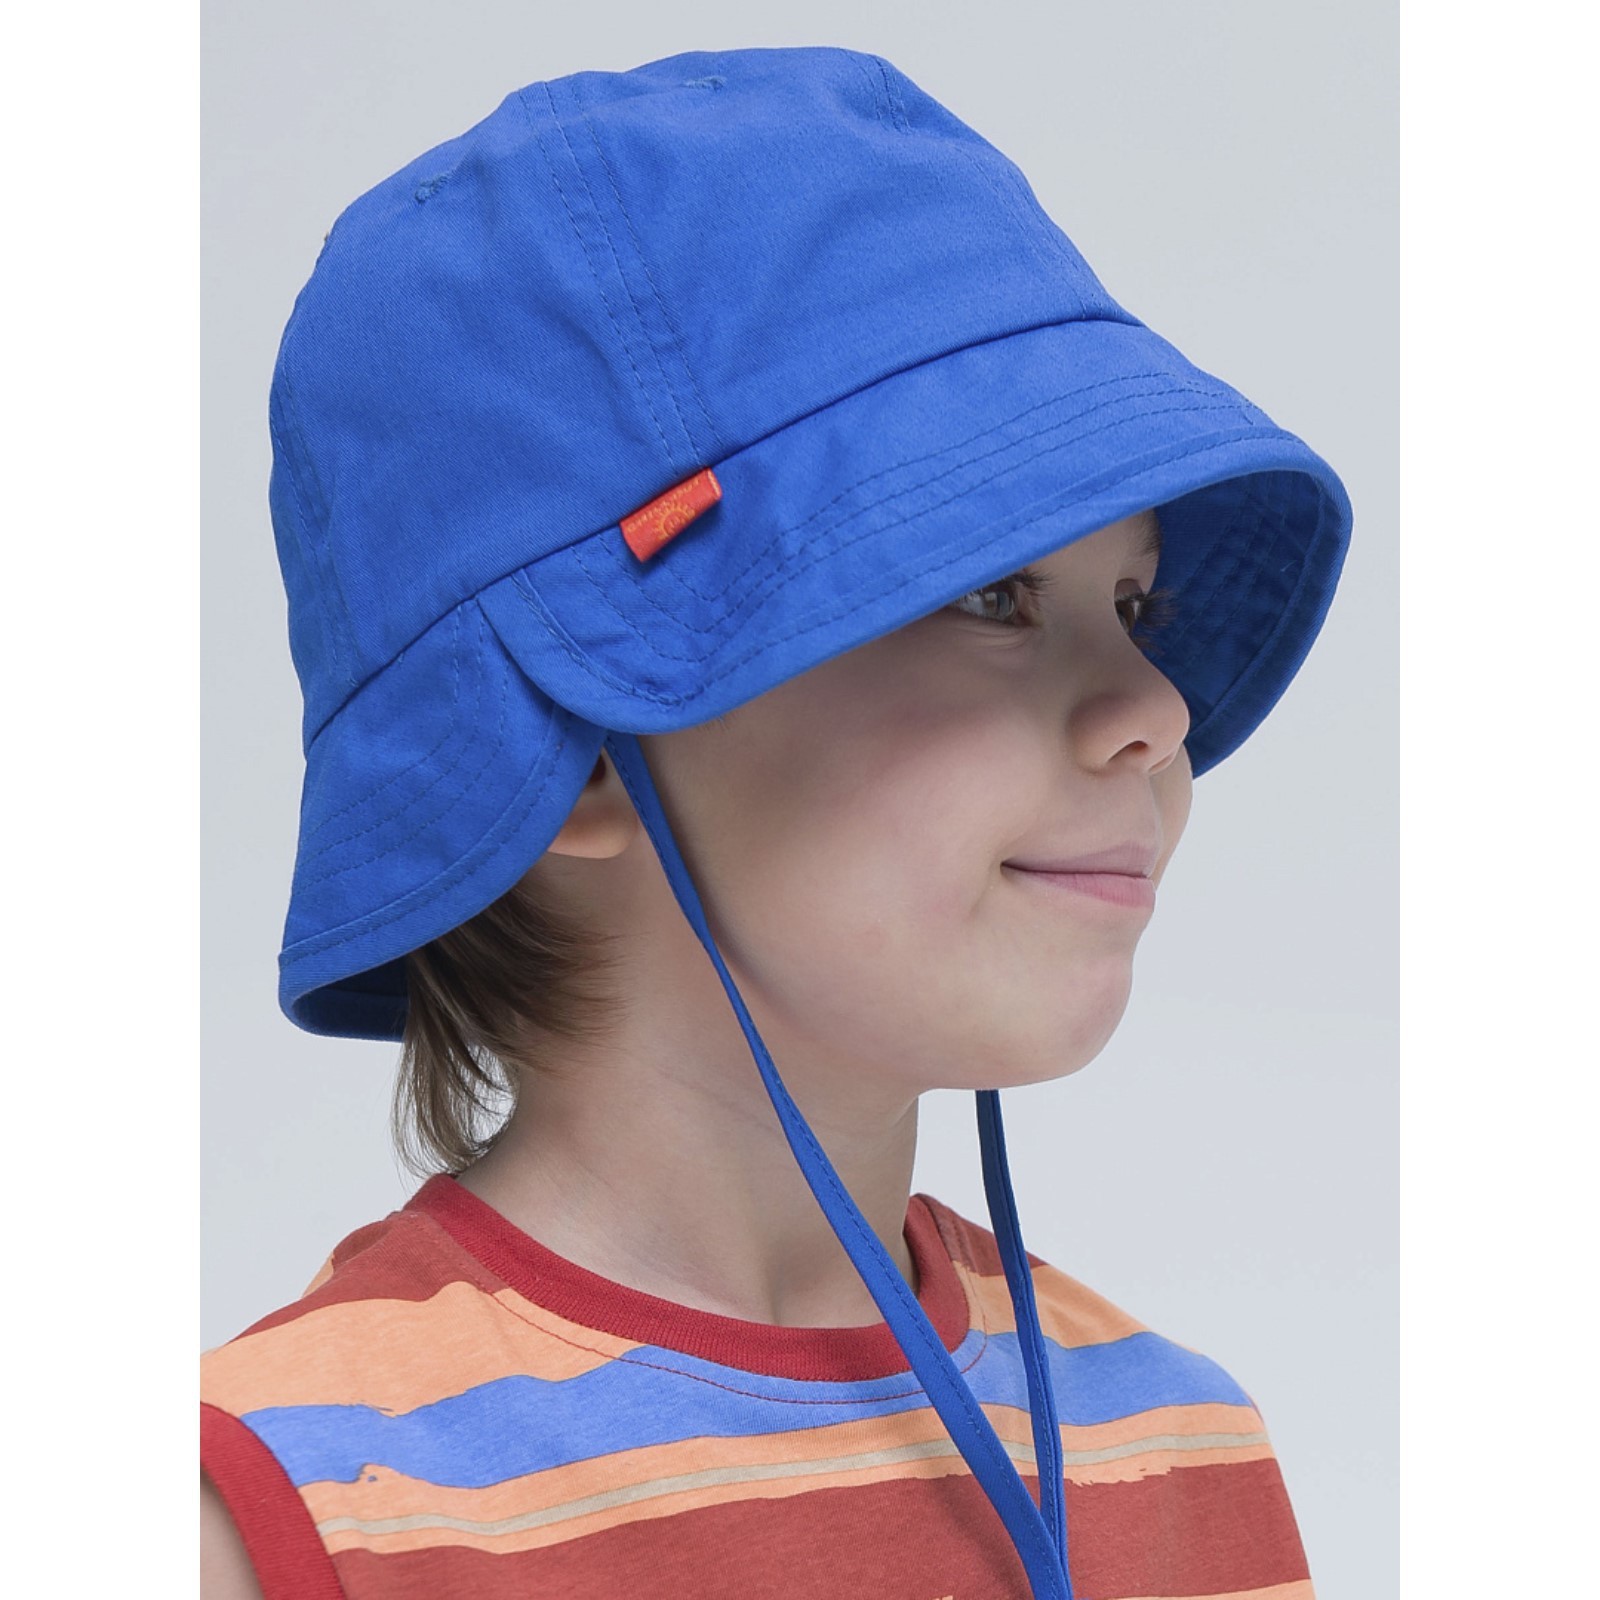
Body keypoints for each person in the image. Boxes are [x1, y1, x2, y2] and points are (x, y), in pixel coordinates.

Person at [201, 44, 1352, 1600]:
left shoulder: (1175, 1454)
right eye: (992, 596)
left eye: (1136, 604)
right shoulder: (293, 1523)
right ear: (580, 760)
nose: (1155, 707)